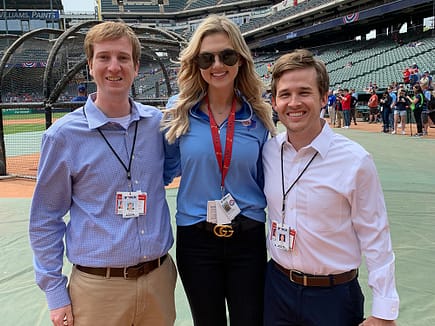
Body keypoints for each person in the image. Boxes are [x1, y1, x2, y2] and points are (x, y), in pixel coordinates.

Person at [29, 21, 177, 326]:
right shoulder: (63, 136)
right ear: (90, 65)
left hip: (159, 279)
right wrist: (56, 295)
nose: (114, 67)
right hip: (98, 289)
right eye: (104, 57)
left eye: (123, 58)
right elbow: (45, 219)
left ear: (136, 67)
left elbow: (167, 173)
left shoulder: (156, 124)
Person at [262, 49, 399, 326]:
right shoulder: (267, 151)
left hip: (333, 297)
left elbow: (375, 235)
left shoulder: (355, 160)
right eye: (285, 94)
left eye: (304, 92)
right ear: (274, 102)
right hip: (276, 288)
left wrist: (384, 311)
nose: (294, 102)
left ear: (324, 97)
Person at [162, 15, 275, 326]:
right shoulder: (179, 110)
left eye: (226, 55)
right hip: (196, 240)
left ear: (240, 60)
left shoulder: (260, 116)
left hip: (247, 237)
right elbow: (164, 170)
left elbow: (267, 181)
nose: (217, 64)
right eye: (206, 57)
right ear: (196, 63)